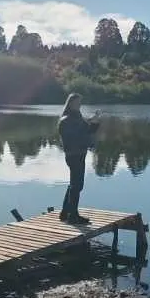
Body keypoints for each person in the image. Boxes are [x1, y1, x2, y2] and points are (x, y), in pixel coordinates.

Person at [58, 93, 100, 224]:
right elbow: (77, 134)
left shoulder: (77, 118)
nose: (79, 105)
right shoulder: (66, 120)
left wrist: (94, 122)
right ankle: (73, 215)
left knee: (74, 184)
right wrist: (88, 123)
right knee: (77, 185)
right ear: (70, 103)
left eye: (80, 103)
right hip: (74, 155)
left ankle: (65, 213)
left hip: (79, 154)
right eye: (77, 103)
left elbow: (88, 131)